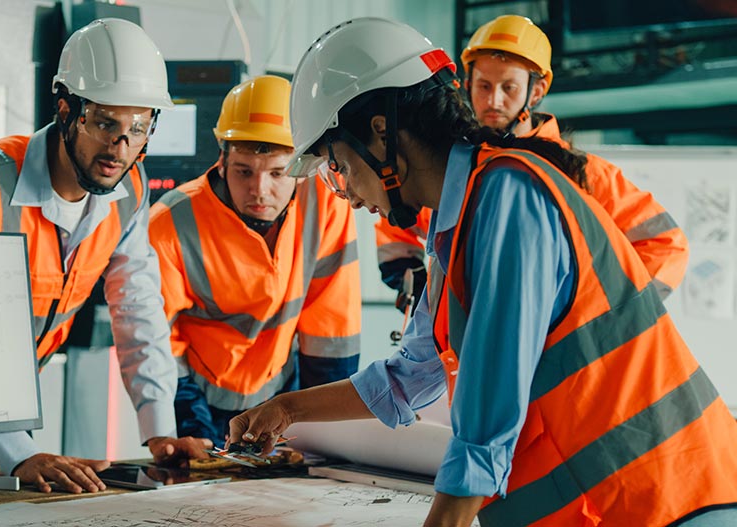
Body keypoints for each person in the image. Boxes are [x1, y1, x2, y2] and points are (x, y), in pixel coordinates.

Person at [229, 17, 737, 526]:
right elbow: (408, 376)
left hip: (669, 504)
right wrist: (289, 408)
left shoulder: (508, 198)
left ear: (381, 134)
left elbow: (484, 428)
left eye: (337, 166)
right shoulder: (455, 230)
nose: (346, 194)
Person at [0, 18, 210, 493]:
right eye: (105, 123)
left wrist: (160, 431)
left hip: (6, 408)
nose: (121, 146)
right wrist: (20, 454)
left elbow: (138, 310)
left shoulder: (130, 191)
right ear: (66, 109)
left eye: (138, 128)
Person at [373, 14, 688, 312]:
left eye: (508, 87)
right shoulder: (456, 169)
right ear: (467, 85)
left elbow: (666, 246)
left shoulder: (583, 174)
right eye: (484, 86)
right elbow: (400, 220)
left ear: (535, 91)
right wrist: (415, 281)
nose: (493, 101)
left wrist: (598, 311)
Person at [148, 75, 361, 447]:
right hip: (197, 403)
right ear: (222, 158)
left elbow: (331, 332)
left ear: (301, 167)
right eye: (243, 171)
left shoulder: (326, 205)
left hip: (285, 395)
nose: (259, 191)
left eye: (278, 173)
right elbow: (157, 344)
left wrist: (322, 432)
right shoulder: (170, 223)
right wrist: (194, 427)